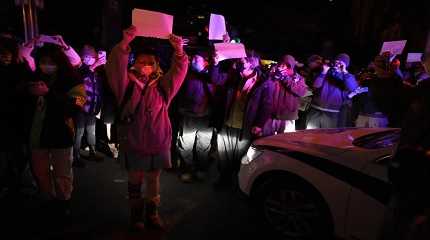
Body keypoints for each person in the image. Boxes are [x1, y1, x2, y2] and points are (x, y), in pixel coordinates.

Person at [105, 26, 188, 231]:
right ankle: (136, 216)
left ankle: (152, 214)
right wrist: (125, 43)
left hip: (158, 141)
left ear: (157, 65)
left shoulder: (163, 85)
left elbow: (179, 72)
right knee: (135, 179)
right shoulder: (126, 83)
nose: (146, 66)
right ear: (134, 62)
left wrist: (178, 51)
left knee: (154, 179)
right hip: (134, 141)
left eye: (150, 63)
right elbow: (115, 65)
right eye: (141, 62)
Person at [25, 40, 86, 221]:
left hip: (61, 134)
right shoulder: (33, 77)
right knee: (40, 172)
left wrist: (49, 94)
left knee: (62, 173)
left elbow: (76, 106)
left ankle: (63, 203)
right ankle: (47, 199)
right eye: (43, 61)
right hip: (36, 135)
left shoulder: (72, 79)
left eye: (51, 62)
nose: (47, 66)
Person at [210, 50, 273, 187]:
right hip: (227, 122)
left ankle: (237, 181)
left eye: (245, 59)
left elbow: (266, 105)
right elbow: (216, 79)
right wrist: (215, 64)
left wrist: (259, 124)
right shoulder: (234, 76)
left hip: (245, 125)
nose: (242, 60)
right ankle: (223, 179)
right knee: (223, 154)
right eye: (241, 59)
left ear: (253, 62)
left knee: (239, 156)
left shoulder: (263, 81)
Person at [0, 36, 32, 197]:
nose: (5, 56)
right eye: (2, 53)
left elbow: (28, 91)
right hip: (7, 119)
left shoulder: (21, 68)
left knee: (17, 153)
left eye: (7, 52)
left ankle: (15, 181)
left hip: (18, 119)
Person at [177, 51, 214, 183]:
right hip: (188, 116)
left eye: (196, 59)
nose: (193, 61)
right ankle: (186, 170)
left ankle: (201, 169)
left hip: (205, 117)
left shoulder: (212, 75)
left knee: (203, 146)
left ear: (206, 62)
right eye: (192, 59)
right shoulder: (186, 74)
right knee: (185, 144)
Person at [72, 45, 106, 167]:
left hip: (92, 107)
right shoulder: (79, 68)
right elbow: (80, 79)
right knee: (79, 131)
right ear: (83, 57)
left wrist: (99, 106)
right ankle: (75, 156)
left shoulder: (96, 72)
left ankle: (92, 151)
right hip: (81, 106)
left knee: (91, 130)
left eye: (94, 55)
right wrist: (92, 67)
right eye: (89, 56)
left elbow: (99, 89)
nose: (93, 58)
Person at [306, 53, 358, 129]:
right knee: (310, 134)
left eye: (340, 63)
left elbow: (353, 88)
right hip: (315, 108)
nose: (337, 64)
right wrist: (324, 72)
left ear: (345, 65)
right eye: (336, 61)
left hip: (332, 111)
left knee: (328, 137)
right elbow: (316, 85)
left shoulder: (348, 76)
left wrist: (344, 71)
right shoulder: (326, 71)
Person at [264, 54, 307, 135]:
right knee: (266, 139)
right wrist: (272, 76)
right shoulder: (273, 74)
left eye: (287, 65)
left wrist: (285, 78)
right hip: (270, 115)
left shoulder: (298, 78)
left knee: (284, 141)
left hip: (287, 117)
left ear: (291, 66)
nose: (283, 66)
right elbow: (265, 88)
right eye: (282, 63)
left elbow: (301, 92)